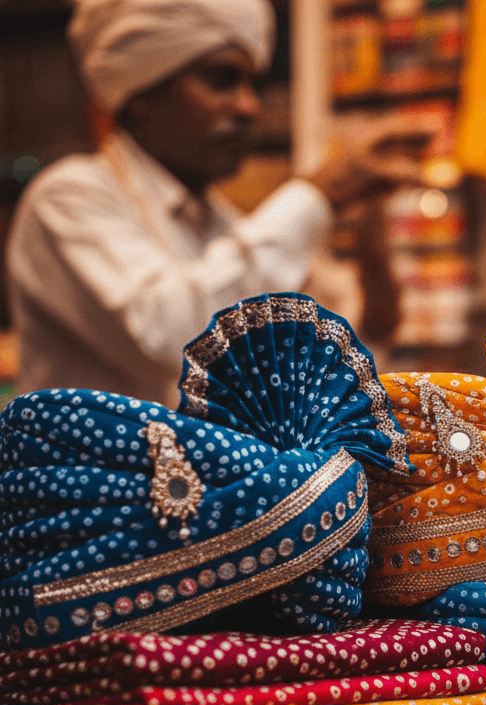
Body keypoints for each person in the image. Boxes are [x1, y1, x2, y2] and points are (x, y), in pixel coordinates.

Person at [5, 0, 429, 406]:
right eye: (222, 79)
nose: (249, 107)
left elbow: (344, 358)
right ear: (142, 95)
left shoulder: (221, 224)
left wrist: (372, 251)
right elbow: (176, 341)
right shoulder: (67, 198)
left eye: (253, 86)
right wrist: (321, 191)